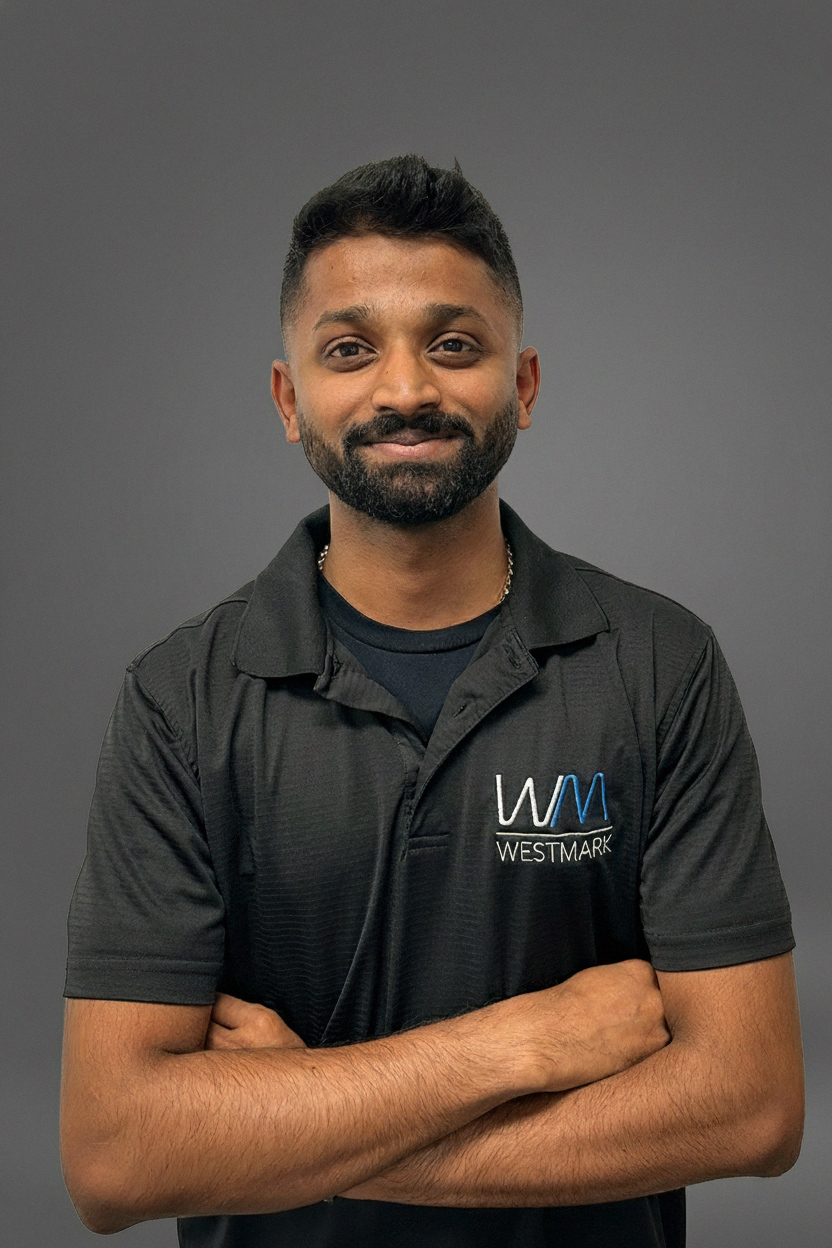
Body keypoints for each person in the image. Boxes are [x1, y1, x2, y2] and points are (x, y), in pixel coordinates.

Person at [60, 156, 803, 1248]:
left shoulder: (659, 664)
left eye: (454, 345)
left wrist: (291, 1122)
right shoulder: (182, 700)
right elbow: (114, 1156)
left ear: (524, 386)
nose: (404, 389)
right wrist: (514, 1045)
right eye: (349, 350)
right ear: (289, 401)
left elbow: (751, 1107)